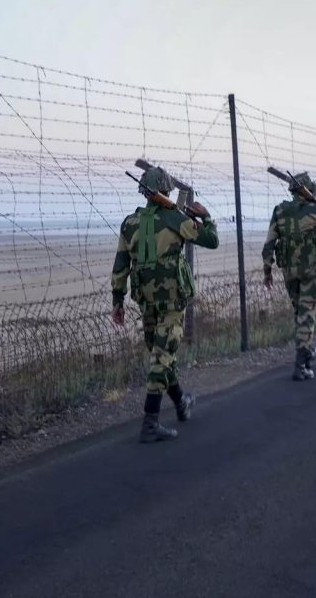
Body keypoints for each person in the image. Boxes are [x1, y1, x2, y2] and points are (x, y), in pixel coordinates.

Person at [110, 166, 219, 443]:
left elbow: (121, 263)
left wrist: (118, 300)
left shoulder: (129, 223)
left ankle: (182, 401)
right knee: (161, 358)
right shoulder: (175, 219)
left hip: (145, 301)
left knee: (161, 355)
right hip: (171, 301)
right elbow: (211, 240)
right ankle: (150, 422)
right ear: (166, 190)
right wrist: (204, 216)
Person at [262, 172, 316, 381]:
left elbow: (269, 243)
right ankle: (301, 363)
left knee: (300, 311)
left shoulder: (279, 210)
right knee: (307, 313)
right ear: (308, 191)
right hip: (311, 268)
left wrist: (267, 271)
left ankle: (306, 354)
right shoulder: (315, 209)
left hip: (289, 269)